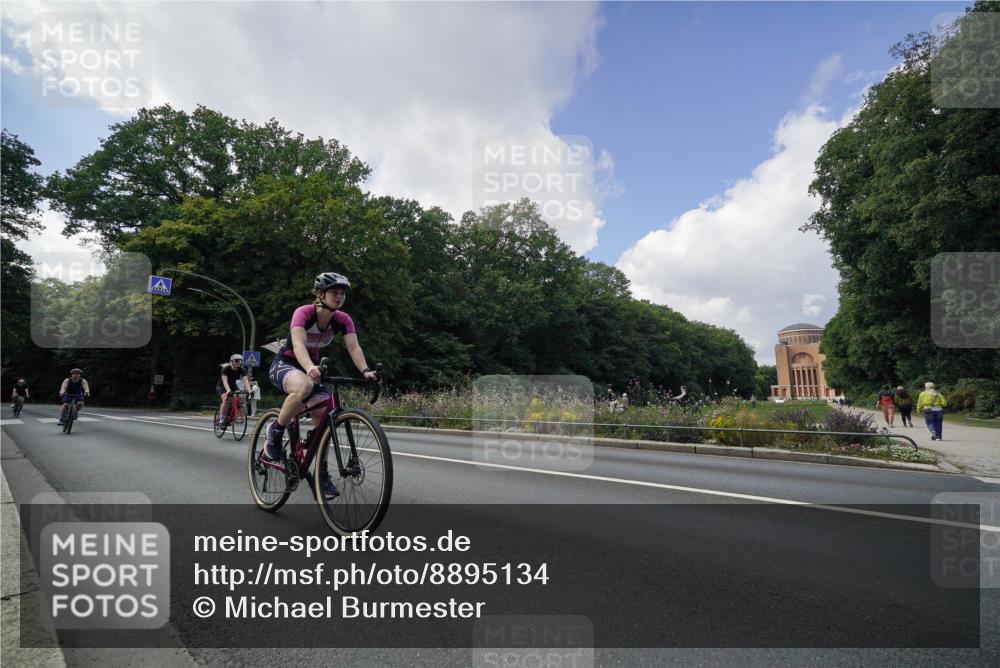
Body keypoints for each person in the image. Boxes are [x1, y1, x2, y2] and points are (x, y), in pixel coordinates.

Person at [264, 272, 378, 499]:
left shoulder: (343, 320)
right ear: (319, 293)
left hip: (311, 369)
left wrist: (366, 371)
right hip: (286, 363)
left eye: (342, 293)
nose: (339, 297)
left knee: (324, 421)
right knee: (304, 387)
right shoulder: (304, 313)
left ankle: (321, 474)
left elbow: (354, 348)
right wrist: (308, 367)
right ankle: (275, 431)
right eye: (334, 292)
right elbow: (297, 344)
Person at [217, 354, 248, 428]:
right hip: (222, 386)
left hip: (233, 385)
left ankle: (233, 416)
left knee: (239, 399)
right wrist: (228, 390)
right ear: (232, 361)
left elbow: (246, 380)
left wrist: (249, 390)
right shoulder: (225, 368)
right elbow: (225, 381)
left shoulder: (242, 369)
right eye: (236, 361)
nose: (238, 362)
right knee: (226, 399)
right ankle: (221, 419)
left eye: (240, 361)